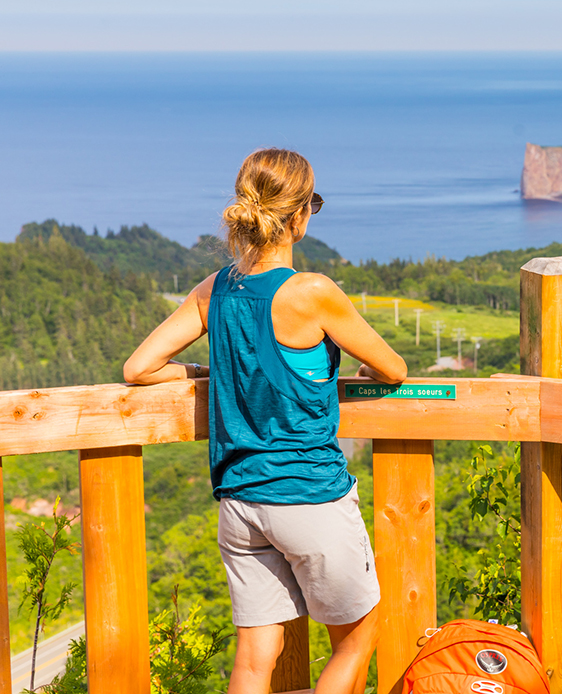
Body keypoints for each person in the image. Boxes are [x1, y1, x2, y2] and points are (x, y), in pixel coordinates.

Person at [123, 148, 407, 694]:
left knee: (257, 657)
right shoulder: (312, 292)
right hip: (309, 494)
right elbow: (392, 368)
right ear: (299, 216)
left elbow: (139, 368)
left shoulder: (215, 289)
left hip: (240, 501)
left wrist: (210, 369)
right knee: (356, 637)